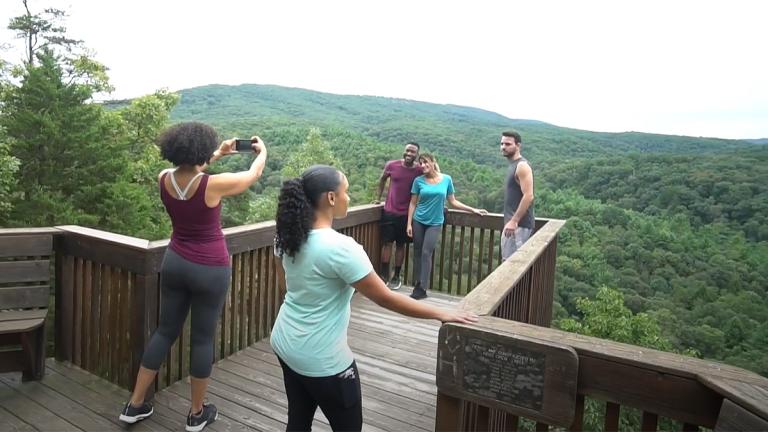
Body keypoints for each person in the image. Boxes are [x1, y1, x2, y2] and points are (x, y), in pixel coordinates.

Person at [272, 164, 477, 432]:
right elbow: (385, 298)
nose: (349, 198)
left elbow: (285, 288)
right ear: (330, 198)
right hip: (324, 359)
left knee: (297, 421)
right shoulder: (341, 248)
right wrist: (441, 312)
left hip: (285, 341)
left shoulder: (286, 237)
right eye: (345, 191)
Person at [118, 122, 267, 432]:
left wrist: (219, 154)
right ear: (201, 150)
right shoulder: (213, 186)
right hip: (210, 267)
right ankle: (197, 413)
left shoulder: (163, 179)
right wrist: (262, 153)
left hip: (175, 262)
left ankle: (134, 405)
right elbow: (252, 176)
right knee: (201, 339)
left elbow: (190, 171)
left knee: (164, 331)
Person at [407, 154, 486, 300]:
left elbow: (453, 202)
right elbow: (412, 203)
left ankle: (423, 287)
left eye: (426, 162)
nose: (423, 165)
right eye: (421, 163)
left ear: (433, 162)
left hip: (435, 222)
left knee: (426, 252)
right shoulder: (418, 181)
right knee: (417, 252)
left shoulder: (446, 179)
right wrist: (409, 224)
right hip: (418, 220)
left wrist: (473, 209)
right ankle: (417, 284)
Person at [374, 141, 422, 290]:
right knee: (387, 244)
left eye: (413, 152)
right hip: (389, 211)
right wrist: (377, 197)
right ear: (404, 150)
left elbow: (432, 181)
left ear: (417, 154)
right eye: (407, 150)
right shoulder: (392, 165)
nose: (409, 154)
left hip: (406, 215)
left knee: (401, 245)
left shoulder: (419, 170)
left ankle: (396, 276)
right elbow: (382, 180)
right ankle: (383, 275)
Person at [500, 130, 535, 260]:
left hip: (519, 226)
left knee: (512, 265)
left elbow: (529, 196)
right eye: (502, 143)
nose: (503, 147)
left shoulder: (522, 166)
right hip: (513, 226)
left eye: (508, 144)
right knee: (508, 262)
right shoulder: (513, 165)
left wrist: (514, 221)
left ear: (518, 145)